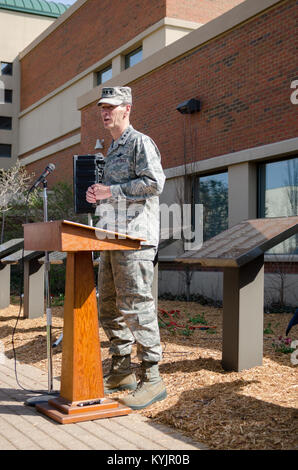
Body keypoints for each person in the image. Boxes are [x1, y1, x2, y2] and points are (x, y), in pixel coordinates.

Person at [86, 86, 166, 410]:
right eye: (102, 107)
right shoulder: (113, 148)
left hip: (135, 241)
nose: (106, 112)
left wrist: (112, 191)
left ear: (127, 109)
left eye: (112, 107)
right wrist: (96, 196)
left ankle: (153, 379)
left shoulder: (139, 143)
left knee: (136, 306)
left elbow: (154, 182)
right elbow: (112, 195)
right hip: (111, 240)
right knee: (107, 306)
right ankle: (121, 371)